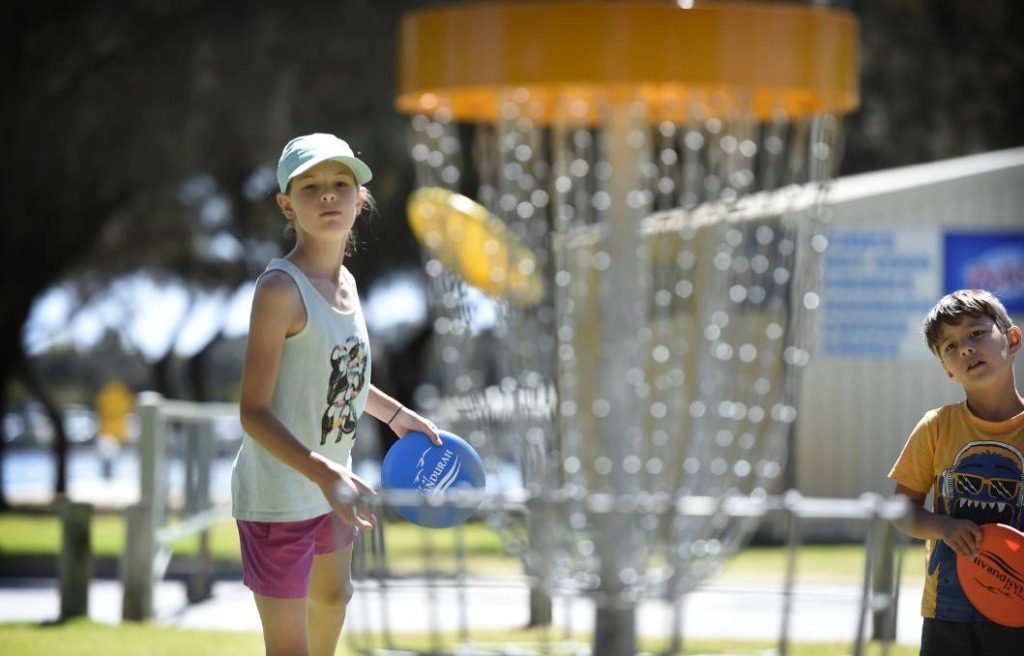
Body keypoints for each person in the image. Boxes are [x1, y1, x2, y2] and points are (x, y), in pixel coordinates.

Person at [232, 133, 441, 656]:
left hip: (331, 489)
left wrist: (395, 415)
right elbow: (252, 413)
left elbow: (340, 377)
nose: (328, 195)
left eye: (340, 184)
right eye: (311, 187)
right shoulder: (279, 290)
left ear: (359, 199)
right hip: (279, 497)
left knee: (335, 597)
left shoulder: (346, 282)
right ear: (286, 203)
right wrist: (326, 473)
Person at [889, 289, 1024, 654]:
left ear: (1012, 340)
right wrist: (944, 527)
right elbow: (902, 511)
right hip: (947, 612)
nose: (965, 348)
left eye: (976, 333)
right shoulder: (936, 427)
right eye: (950, 346)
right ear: (947, 370)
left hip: (1019, 612)